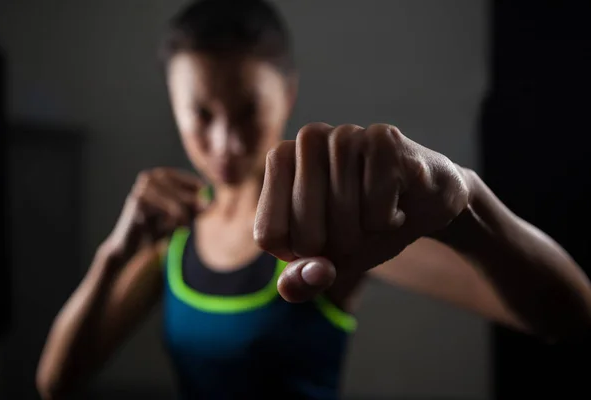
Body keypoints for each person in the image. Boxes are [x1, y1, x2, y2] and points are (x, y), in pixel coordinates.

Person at [36, 0, 591, 399]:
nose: (225, 142)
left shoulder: (329, 222)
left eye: (248, 110)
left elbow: (567, 314)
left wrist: (468, 201)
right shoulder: (174, 231)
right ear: (174, 106)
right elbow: (55, 383)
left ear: (288, 94)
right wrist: (114, 253)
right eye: (202, 115)